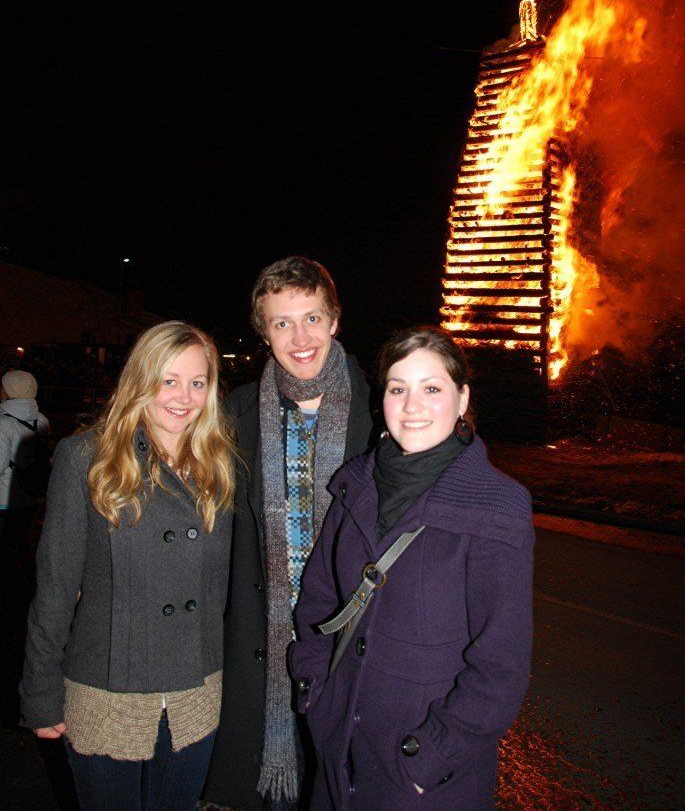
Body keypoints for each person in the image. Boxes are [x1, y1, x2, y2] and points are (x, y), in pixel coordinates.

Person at [290, 326, 534, 811]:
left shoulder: (496, 506)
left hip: (425, 776)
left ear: (462, 399)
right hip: (339, 750)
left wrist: (429, 759)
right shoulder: (355, 485)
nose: (411, 405)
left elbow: (500, 667)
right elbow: (318, 598)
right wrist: (315, 690)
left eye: (432, 388)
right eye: (397, 388)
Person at [20, 321, 236, 811]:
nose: (184, 397)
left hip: (196, 688)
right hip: (107, 687)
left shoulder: (219, 463)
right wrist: (40, 693)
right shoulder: (87, 457)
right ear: (140, 380)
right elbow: (55, 587)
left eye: (197, 382)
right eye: (168, 380)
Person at [203, 256, 373, 811]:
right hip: (264, 639)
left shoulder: (382, 410)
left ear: (335, 320)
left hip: (352, 639)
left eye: (312, 319)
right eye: (282, 323)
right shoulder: (237, 413)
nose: (300, 339)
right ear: (264, 332)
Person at [0, 370, 50, 629]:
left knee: (6, 553)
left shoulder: (3, 423)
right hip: (30, 497)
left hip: (5, 499)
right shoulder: (41, 419)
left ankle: (16, 605)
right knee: (18, 545)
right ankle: (33, 594)